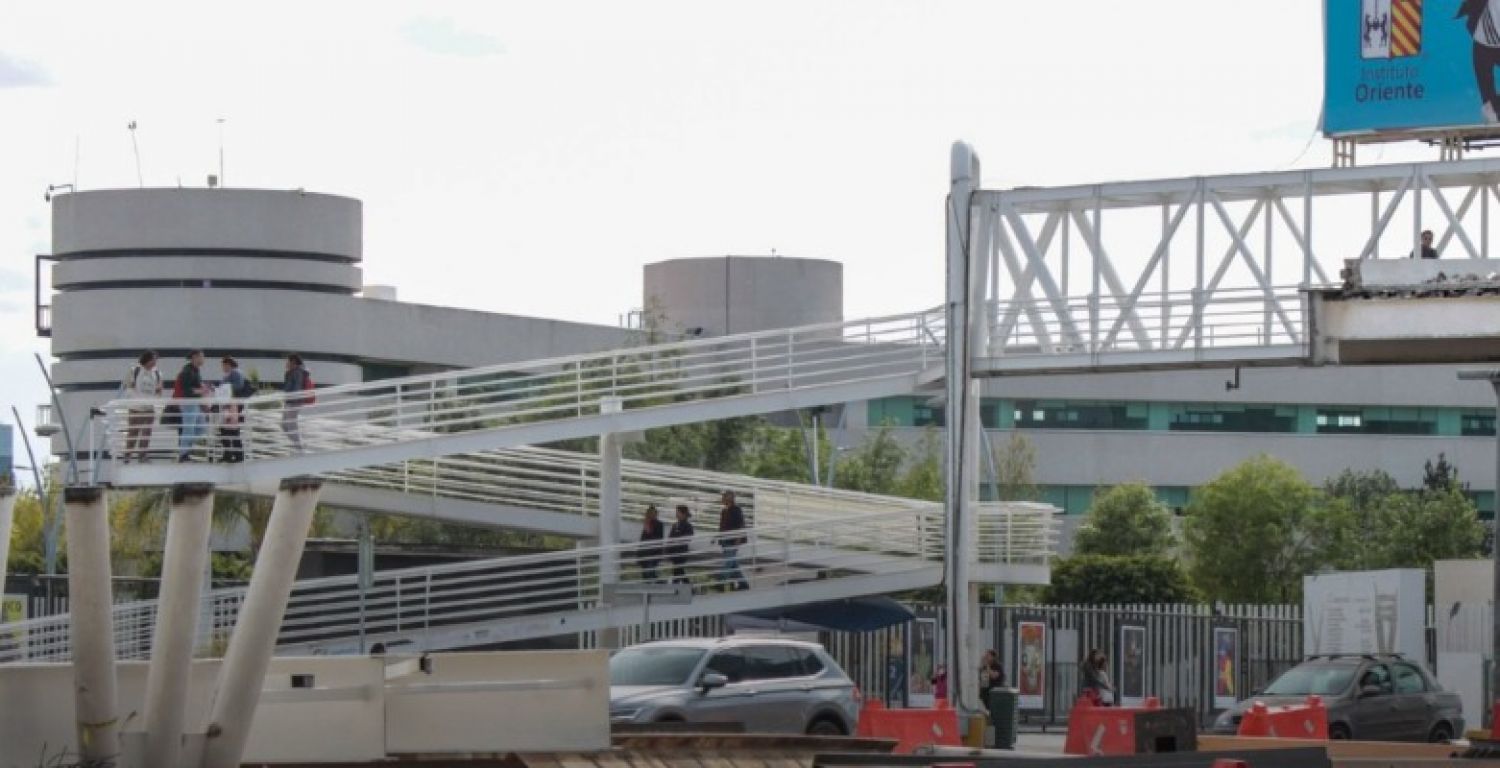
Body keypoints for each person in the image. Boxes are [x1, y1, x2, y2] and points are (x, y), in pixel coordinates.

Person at [122, 350, 162, 463]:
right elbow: (128, 385)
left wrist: (155, 399)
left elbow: (159, 390)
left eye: (155, 360)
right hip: (136, 407)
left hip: (149, 408)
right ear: (147, 359)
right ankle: (127, 455)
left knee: (146, 432)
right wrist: (135, 398)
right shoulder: (135, 370)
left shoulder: (157, 373)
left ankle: (143, 456)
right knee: (133, 432)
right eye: (153, 359)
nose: (154, 362)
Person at [175, 350, 211, 462]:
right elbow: (187, 391)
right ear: (195, 357)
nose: (203, 359)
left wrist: (203, 390)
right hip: (189, 404)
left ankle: (186, 448)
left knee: (201, 428)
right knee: (189, 429)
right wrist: (201, 390)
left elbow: (196, 386)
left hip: (196, 404)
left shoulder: (195, 370)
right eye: (201, 357)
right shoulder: (187, 371)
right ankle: (183, 454)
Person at [217, 356, 253, 463]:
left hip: (233, 406)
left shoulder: (235, 373)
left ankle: (236, 455)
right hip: (228, 405)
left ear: (228, 364)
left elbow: (238, 386)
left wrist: (225, 388)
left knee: (231, 430)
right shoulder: (229, 374)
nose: (222, 367)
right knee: (227, 430)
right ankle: (231, 454)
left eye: (224, 365)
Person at [715, 490, 749, 591]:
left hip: (732, 540)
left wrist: (738, 539)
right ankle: (743, 584)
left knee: (728, 561)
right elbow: (722, 526)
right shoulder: (724, 510)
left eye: (724, 497)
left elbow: (741, 525)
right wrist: (719, 538)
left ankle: (721, 582)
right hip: (725, 540)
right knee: (733, 564)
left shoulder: (736, 509)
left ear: (729, 498)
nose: (722, 499)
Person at [282, 353, 310, 451]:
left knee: (291, 425)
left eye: (287, 361)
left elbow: (297, 387)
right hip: (289, 401)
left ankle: (300, 448)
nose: (286, 363)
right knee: (285, 425)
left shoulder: (297, 372)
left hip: (294, 401)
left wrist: (292, 398)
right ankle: (298, 445)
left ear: (293, 362)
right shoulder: (291, 371)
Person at [667, 504, 694, 584]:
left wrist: (676, 540)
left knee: (678, 570)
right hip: (674, 552)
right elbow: (670, 538)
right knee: (678, 571)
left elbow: (688, 537)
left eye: (678, 512)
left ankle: (679, 587)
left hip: (681, 552)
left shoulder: (688, 526)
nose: (676, 514)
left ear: (683, 514)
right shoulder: (675, 525)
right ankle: (684, 587)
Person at [637, 504, 665, 582]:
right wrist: (639, 555)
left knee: (650, 573)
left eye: (653, 513)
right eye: (649, 513)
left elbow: (659, 539)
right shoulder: (646, 523)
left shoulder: (659, 524)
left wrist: (649, 531)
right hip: (645, 554)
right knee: (646, 575)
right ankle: (649, 591)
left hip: (653, 554)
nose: (650, 515)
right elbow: (642, 540)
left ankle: (659, 586)